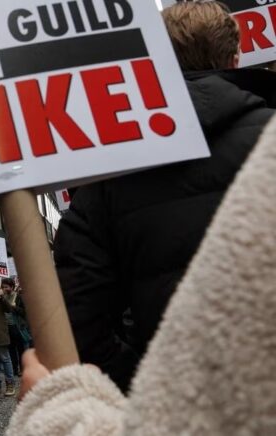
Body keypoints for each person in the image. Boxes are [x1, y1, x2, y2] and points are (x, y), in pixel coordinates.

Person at [7, 111, 276, 436]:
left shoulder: (104, 179)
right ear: (235, 59)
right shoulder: (265, 134)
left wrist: (139, 389)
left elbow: (80, 321)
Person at [53, 0, 276, 391]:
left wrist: (148, 385)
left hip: (174, 401)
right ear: (237, 58)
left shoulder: (109, 171)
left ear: (156, 62)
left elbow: (78, 317)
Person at [2, 278, 29, 376]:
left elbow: (24, 312)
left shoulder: (18, 297)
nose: (4, 289)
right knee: (11, 350)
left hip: (17, 326)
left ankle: (23, 369)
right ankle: (14, 369)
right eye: (3, 287)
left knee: (21, 349)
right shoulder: (3, 297)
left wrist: (14, 307)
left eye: (6, 287)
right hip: (7, 327)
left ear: (12, 287)